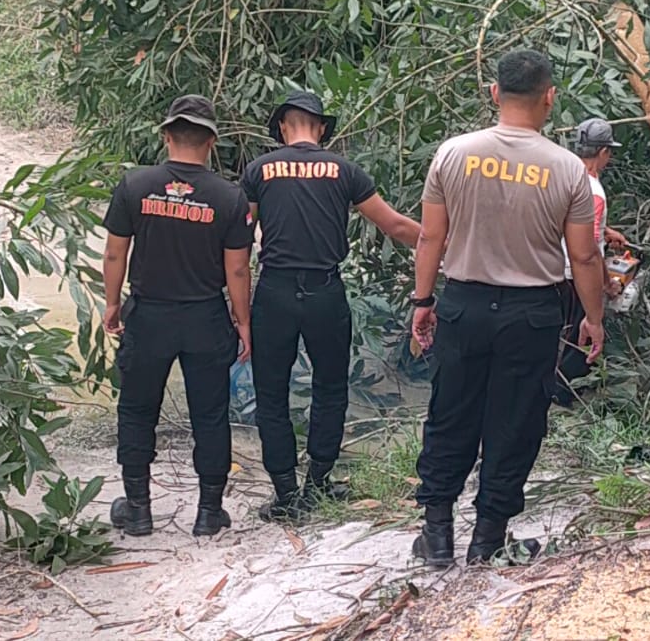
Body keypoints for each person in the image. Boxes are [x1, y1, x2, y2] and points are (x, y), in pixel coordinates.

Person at [409, 50, 607, 566]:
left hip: (464, 305)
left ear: (495, 93)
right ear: (549, 98)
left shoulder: (453, 154)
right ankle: (487, 538)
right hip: (532, 313)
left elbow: (431, 237)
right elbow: (584, 255)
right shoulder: (568, 169)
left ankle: (436, 534)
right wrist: (593, 317)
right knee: (516, 421)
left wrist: (423, 301)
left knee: (450, 413)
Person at [242, 91, 422, 522]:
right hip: (325, 292)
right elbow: (395, 225)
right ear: (321, 128)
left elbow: (239, 236)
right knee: (330, 387)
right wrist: (450, 245)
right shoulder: (345, 171)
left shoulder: (259, 170)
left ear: (283, 127)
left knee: (271, 392)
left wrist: (233, 302)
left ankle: (285, 493)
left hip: (274, 292)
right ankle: (318, 483)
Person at [101, 95, 254, 538]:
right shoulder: (229, 197)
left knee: (136, 410)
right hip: (205, 318)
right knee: (210, 414)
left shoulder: (134, 185)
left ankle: (138, 509)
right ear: (212, 142)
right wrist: (243, 322)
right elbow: (238, 269)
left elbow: (114, 253)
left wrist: (112, 303)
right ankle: (208, 512)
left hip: (149, 315)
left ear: (167, 135)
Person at [555, 117, 629, 407]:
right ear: (603, 152)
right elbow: (588, 247)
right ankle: (564, 392)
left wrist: (606, 230)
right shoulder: (595, 192)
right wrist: (606, 282)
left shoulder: (563, 176)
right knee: (582, 332)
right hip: (576, 272)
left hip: (551, 266)